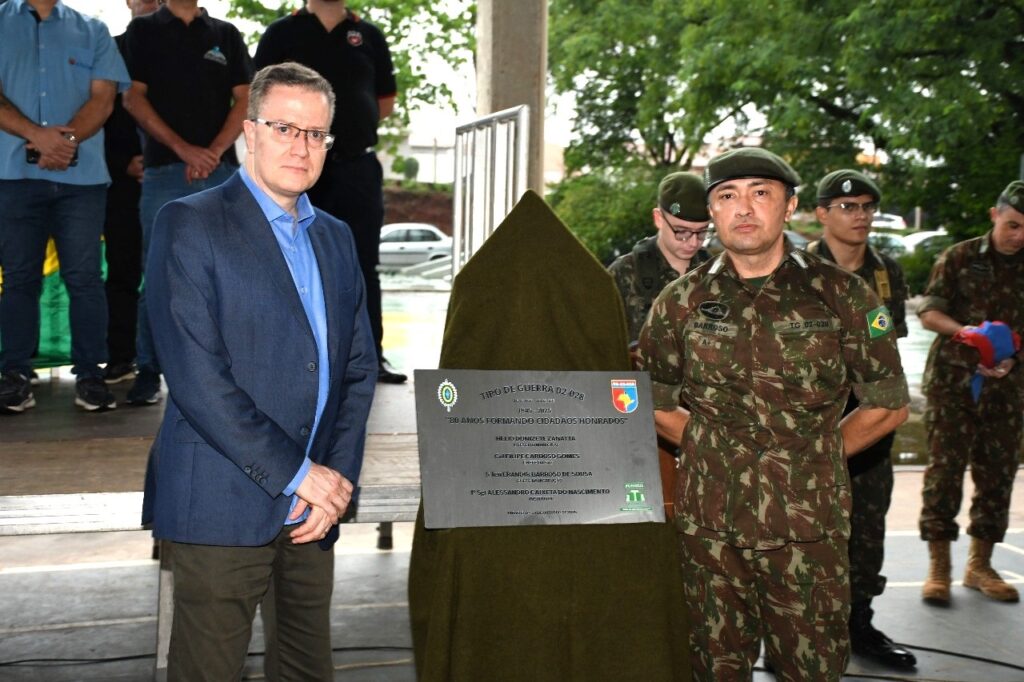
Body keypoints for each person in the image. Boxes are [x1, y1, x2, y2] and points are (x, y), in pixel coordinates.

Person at [141, 62, 378, 680]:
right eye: (284, 127)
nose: (301, 146)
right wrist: (300, 475)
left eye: (316, 134)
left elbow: (356, 371)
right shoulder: (189, 223)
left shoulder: (337, 238)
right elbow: (198, 380)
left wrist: (335, 483)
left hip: (312, 511)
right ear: (250, 133)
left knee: (306, 667)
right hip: (220, 500)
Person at [637, 147, 909, 680]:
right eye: (727, 196)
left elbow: (888, 404)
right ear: (712, 212)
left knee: (810, 669)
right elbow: (649, 399)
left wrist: (815, 456)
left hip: (808, 529)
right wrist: (715, 450)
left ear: (789, 207)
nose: (744, 208)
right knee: (713, 667)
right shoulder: (680, 300)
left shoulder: (842, 296)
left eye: (761, 193)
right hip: (711, 529)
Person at [253, 0, 407, 384]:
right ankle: (294, 358)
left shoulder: (368, 36)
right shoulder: (281, 33)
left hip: (357, 168)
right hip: (298, 169)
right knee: (291, 261)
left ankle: (369, 359)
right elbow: (259, 99)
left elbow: (384, 101)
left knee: (362, 265)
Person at [0, 0, 129, 413]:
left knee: (86, 279)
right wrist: (37, 136)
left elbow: (104, 99)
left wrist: (64, 144)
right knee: (20, 278)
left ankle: (91, 375)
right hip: (13, 177)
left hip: (82, 181)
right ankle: (15, 376)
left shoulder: (93, 30)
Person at [809, 169, 916, 668]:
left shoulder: (886, 271)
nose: (861, 216)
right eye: (848, 207)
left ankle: (860, 623)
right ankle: (804, 623)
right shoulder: (796, 268)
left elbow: (887, 345)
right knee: (810, 525)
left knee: (869, 524)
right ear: (821, 213)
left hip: (870, 420)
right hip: (814, 420)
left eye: (868, 207)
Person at [121, 0, 252, 405]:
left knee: (227, 274)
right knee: (158, 273)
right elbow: (133, 99)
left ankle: (229, 373)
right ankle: (148, 369)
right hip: (164, 171)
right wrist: (184, 150)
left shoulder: (226, 34)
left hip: (222, 171)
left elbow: (246, 100)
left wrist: (211, 152)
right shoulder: (142, 32)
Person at [918, 180, 1024, 605]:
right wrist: (965, 333)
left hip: (1008, 388)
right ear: (994, 215)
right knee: (944, 473)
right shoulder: (959, 257)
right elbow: (928, 311)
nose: (1019, 236)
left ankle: (980, 565)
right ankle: (939, 566)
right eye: (1013, 225)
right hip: (953, 384)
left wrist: (1012, 353)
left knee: (998, 474)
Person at [101, 0, 161, 385]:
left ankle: (159, 361)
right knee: (122, 271)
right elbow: (98, 109)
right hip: (121, 179)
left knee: (168, 274)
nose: (150, 2)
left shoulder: (183, 45)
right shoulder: (108, 48)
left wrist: (162, 157)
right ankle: (122, 357)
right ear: (128, 2)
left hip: (175, 172)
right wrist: (125, 161)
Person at [608, 171, 712, 343]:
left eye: (702, 232)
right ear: (658, 218)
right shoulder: (624, 273)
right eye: (682, 231)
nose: (693, 242)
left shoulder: (716, 272)